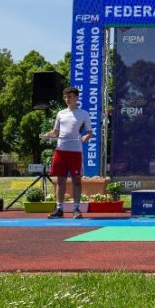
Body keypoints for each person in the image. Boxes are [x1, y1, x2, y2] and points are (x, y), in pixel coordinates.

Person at [45, 86, 93, 219]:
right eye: (66, 97)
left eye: (70, 97)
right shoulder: (60, 113)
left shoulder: (83, 114)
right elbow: (55, 132)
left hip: (75, 152)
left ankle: (76, 209)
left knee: (77, 180)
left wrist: (85, 138)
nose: (67, 99)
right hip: (60, 151)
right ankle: (59, 209)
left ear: (76, 98)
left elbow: (90, 133)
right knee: (60, 180)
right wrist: (48, 135)